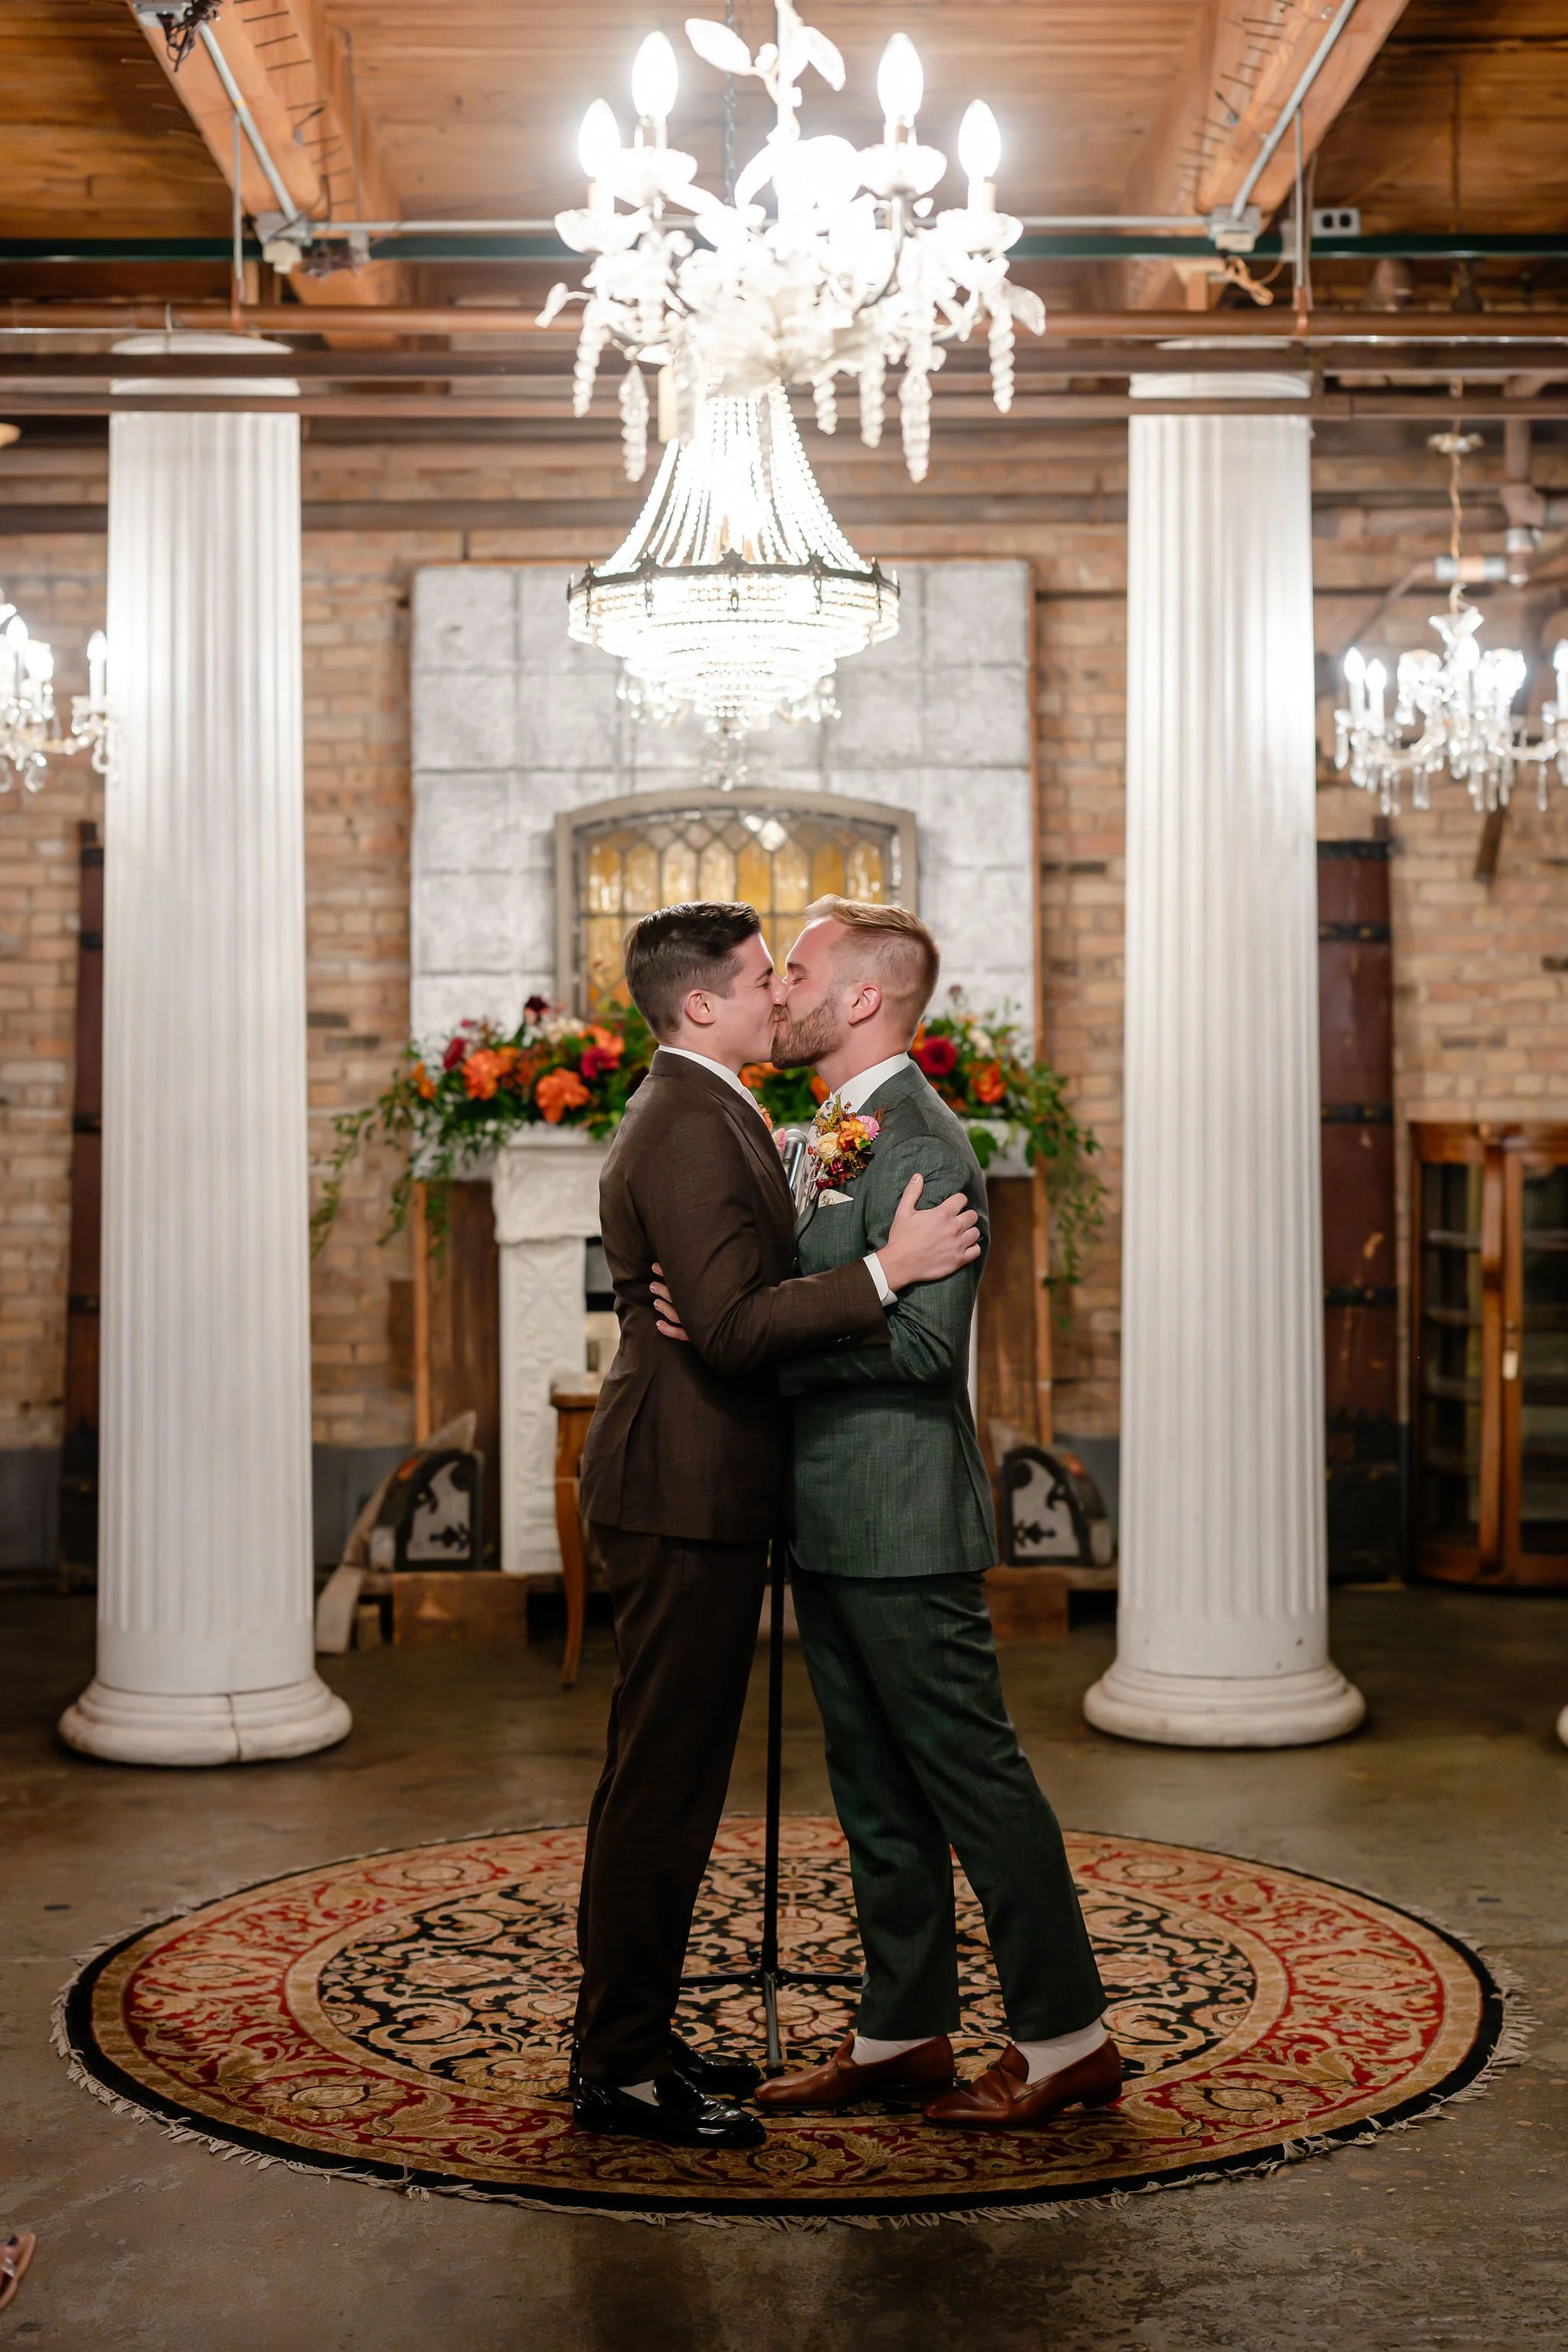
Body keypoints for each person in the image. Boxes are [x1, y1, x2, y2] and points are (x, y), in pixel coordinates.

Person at [653, 897, 1120, 2129]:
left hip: (903, 1516)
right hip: (826, 1516)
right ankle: (901, 2033)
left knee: (975, 1778)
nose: (782, 989)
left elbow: (920, 1348)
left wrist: (742, 1351)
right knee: (872, 1788)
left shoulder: (922, 1143)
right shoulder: (826, 1132)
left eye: (798, 970)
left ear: (863, 998)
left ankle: (1068, 2039)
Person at [571, 900, 983, 2151]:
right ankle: (621, 2070)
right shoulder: (688, 1123)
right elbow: (737, 1326)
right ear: (702, 1005)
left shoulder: (722, 1107)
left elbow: (738, 1295)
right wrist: (885, 1273)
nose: (780, 992)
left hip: (705, 1484)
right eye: (762, 978)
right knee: (663, 1787)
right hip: (679, 1490)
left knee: (671, 1780)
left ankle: (628, 2034)